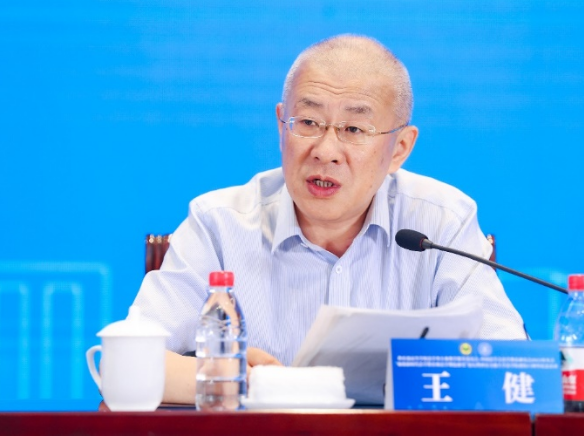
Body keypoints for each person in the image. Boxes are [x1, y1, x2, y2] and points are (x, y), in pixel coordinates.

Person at [132, 34, 526, 404]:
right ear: (281, 125)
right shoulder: (218, 225)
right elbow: (129, 363)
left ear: (399, 149)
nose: (326, 150)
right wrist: (241, 380)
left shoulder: (441, 223)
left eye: (353, 128)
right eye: (308, 123)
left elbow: (511, 370)